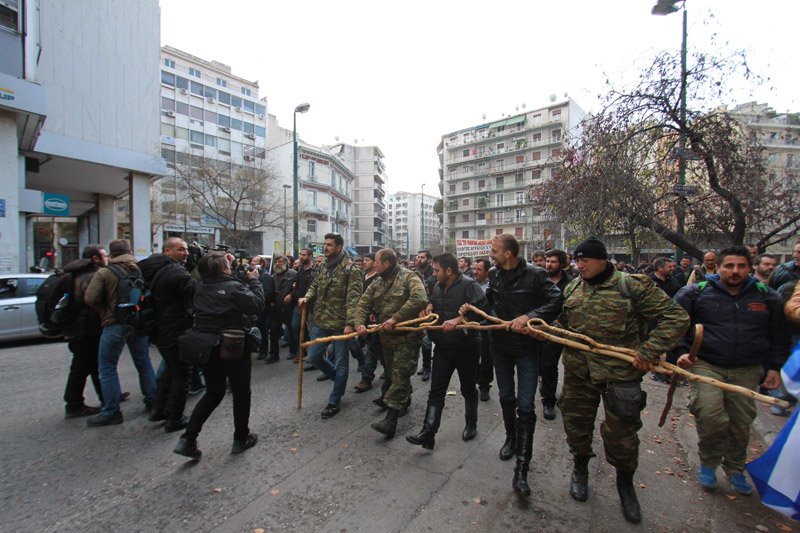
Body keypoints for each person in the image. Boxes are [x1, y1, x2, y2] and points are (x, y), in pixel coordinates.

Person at [556, 236, 689, 523]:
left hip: (620, 376)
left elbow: (676, 318)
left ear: (603, 259)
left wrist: (649, 350)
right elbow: (564, 326)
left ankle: (625, 485)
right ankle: (580, 468)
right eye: (578, 260)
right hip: (579, 373)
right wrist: (539, 328)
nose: (581, 265)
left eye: (586, 259)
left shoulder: (631, 286)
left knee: (622, 437)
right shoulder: (573, 287)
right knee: (576, 428)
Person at [675, 245, 788, 495]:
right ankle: (708, 462)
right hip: (706, 365)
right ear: (719, 267)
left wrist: (774, 368)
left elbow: (779, 336)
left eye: (741, 266)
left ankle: (735, 467)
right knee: (711, 416)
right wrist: (680, 353)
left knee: (740, 422)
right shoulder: (696, 293)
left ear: (751, 267)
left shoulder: (767, 297)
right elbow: (674, 325)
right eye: (729, 266)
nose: (735, 271)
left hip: (747, 370)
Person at [480, 234, 563, 498]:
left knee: (526, 405)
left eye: (494, 250)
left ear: (509, 253)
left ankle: (522, 468)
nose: (490, 253)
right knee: (506, 397)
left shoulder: (535, 274)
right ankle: (511, 439)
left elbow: (556, 301)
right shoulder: (493, 274)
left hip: (527, 349)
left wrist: (529, 317)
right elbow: (489, 302)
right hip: (500, 347)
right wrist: (471, 312)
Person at [173, 251, 264, 459]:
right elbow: (257, 305)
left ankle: (188, 438)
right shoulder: (234, 288)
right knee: (241, 392)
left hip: (206, 346)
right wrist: (255, 282)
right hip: (231, 345)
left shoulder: (200, 287)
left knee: (214, 392)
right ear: (224, 269)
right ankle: (241, 437)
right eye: (227, 265)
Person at [406, 253, 489, 450]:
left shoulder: (469, 285)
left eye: (437, 270)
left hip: (466, 347)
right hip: (442, 347)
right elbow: (435, 308)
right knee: (436, 391)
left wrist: (459, 320)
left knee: (468, 389)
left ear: (449, 271)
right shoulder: (436, 286)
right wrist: (427, 310)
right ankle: (428, 432)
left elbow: (483, 311)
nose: (434, 274)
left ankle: (471, 423)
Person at [354, 248, 427, 438]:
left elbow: (419, 298)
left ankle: (391, 420)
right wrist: (359, 323)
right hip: (386, 338)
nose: (373, 265)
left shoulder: (409, 277)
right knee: (392, 372)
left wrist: (395, 318)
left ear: (386, 263)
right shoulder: (377, 282)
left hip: (407, 338)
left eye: (376, 262)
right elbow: (363, 303)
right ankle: (402, 398)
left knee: (401, 373)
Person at [84, 239, 157, 427]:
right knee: (143, 361)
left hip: (115, 323)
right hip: (138, 322)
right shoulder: (138, 269)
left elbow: (91, 298)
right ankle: (152, 400)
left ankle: (111, 411)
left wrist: (105, 311)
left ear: (111, 254)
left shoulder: (105, 272)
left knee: (107, 366)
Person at [298, 234, 363, 419]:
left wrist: (350, 323)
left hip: (341, 324)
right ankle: (338, 378)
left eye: (329, 245)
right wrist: (307, 297)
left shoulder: (351, 269)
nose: (325, 248)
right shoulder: (322, 265)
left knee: (342, 362)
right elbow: (315, 286)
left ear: (339, 246)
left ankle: (335, 399)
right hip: (320, 320)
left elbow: (354, 299)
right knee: (314, 356)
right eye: (324, 244)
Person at [138, 237, 197, 433]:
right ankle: (175, 418)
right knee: (182, 373)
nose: (186, 253)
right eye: (181, 250)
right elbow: (197, 291)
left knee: (170, 371)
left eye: (186, 249)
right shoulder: (175, 272)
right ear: (167, 251)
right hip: (175, 329)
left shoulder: (157, 269)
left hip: (162, 328)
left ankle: (159, 409)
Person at [62, 245, 108, 418]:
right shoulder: (91, 277)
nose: (107, 259)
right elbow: (93, 302)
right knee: (83, 367)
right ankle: (74, 404)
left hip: (79, 329)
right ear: (95, 259)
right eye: (104, 256)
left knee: (92, 365)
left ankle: (106, 396)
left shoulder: (74, 274)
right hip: (88, 329)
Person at [539, 249, 573, 420]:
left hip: (558, 331)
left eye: (553, 261)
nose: (549, 264)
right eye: (547, 261)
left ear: (561, 264)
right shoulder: (540, 279)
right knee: (540, 365)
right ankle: (543, 385)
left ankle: (549, 402)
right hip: (537, 329)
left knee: (549, 365)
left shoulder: (572, 284)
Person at [354, 253, 381, 392]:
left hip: (376, 320)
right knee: (360, 345)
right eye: (363, 259)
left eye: (367, 259)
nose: (364, 262)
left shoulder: (379, 278)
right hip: (361, 318)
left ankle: (366, 378)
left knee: (372, 348)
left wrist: (374, 313)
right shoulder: (361, 277)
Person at [266, 254, 297, 364]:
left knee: (292, 330)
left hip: (289, 308)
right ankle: (274, 355)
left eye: (280, 262)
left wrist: (292, 295)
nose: (278, 264)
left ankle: (294, 352)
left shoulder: (293, 274)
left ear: (286, 263)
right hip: (276, 309)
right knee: (273, 331)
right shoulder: (273, 276)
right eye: (276, 262)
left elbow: (299, 288)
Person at [471, 257, 493, 401]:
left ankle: (484, 386)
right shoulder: (469, 284)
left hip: (486, 327)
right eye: (474, 269)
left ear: (487, 272)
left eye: (479, 269)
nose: (476, 272)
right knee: (471, 357)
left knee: (486, 357)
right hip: (471, 326)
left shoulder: (492, 286)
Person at [290, 248, 316, 362]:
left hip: (310, 306)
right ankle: (301, 351)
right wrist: (291, 294)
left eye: (303, 255)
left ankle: (312, 356)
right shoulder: (300, 270)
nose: (301, 257)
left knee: (312, 330)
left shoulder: (315, 271)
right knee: (296, 326)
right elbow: (295, 285)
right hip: (299, 305)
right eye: (300, 254)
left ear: (310, 256)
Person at [415, 250, 436, 382]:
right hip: (417, 311)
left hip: (430, 311)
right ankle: (425, 365)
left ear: (429, 259)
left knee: (427, 341)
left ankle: (428, 368)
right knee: (422, 341)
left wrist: (430, 304)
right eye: (418, 257)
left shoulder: (434, 273)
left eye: (422, 257)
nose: (419, 259)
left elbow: (436, 292)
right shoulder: (415, 272)